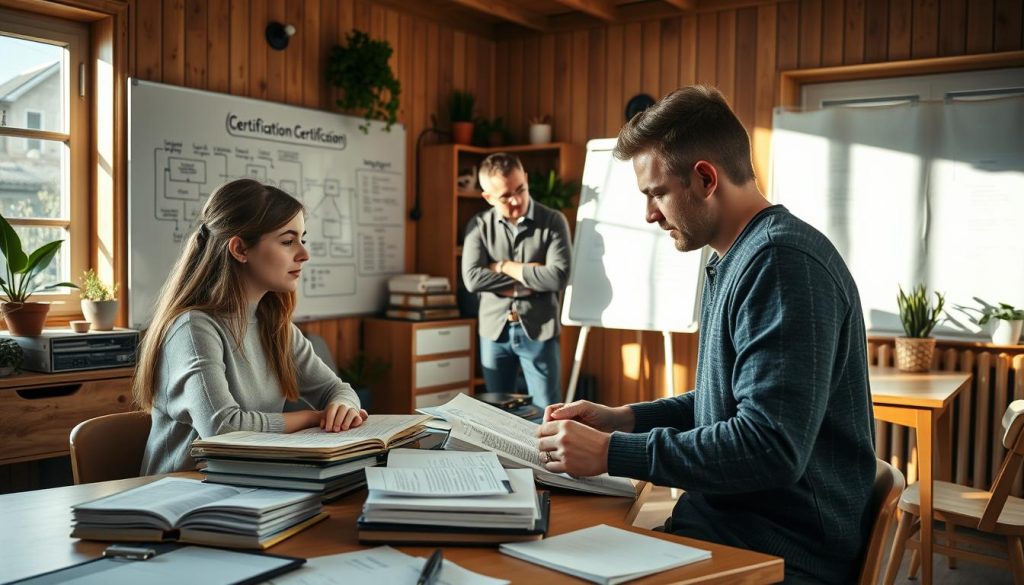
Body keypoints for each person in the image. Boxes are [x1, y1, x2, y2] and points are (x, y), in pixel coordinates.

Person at [536, 86, 876, 584]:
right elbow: (729, 400)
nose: (650, 214)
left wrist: (611, 453)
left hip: (780, 550)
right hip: (730, 522)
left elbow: (769, 444)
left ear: (704, 178)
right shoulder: (739, 257)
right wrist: (623, 419)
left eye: (655, 193)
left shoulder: (780, 263)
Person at [135, 178, 366, 475]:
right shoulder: (193, 329)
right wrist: (312, 418)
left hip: (245, 483)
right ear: (240, 249)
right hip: (179, 495)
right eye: (287, 241)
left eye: (302, 239)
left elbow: (336, 389)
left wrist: (342, 408)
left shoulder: (276, 327)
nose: (304, 254)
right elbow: (223, 428)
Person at [461, 153, 572, 408]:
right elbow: (472, 278)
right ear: (488, 197)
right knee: (498, 414)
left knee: (548, 411)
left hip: (539, 328)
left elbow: (557, 276)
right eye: (505, 196)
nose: (517, 200)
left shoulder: (553, 221)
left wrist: (503, 266)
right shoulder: (478, 225)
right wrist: (528, 279)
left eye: (521, 189)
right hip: (494, 331)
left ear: (526, 179)